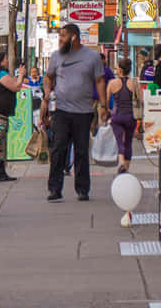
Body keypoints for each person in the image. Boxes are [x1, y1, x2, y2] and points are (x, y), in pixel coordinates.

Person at [43, 23, 106, 202]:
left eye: (62, 36)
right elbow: (48, 77)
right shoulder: (56, 56)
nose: (60, 39)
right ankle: (54, 189)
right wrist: (47, 94)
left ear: (73, 38)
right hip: (61, 111)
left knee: (81, 151)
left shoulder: (92, 57)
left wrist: (103, 106)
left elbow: (100, 81)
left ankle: (82, 189)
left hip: (84, 112)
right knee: (58, 149)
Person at [0, 48, 25, 182]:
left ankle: (0, 171)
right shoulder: (0, 74)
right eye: (6, 59)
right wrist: (21, 75)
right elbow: (15, 87)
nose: (8, 61)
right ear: (0, 61)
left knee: (0, 145)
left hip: (1, 112)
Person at [105, 57, 143, 173]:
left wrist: (109, 112)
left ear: (120, 70)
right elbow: (140, 100)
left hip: (117, 116)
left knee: (119, 141)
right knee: (128, 142)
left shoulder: (112, 83)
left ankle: (121, 163)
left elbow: (106, 102)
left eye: (117, 68)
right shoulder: (135, 83)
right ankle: (126, 169)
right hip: (130, 117)